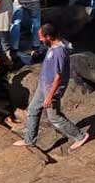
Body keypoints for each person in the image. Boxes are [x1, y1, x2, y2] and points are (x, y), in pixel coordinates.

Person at [13, 23, 91, 151]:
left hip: (51, 90)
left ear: (48, 37)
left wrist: (50, 96)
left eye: (41, 37)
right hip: (43, 86)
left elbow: (58, 77)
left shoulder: (59, 52)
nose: (40, 39)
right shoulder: (52, 46)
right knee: (33, 109)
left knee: (54, 117)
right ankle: (29, 139)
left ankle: (80, 136)